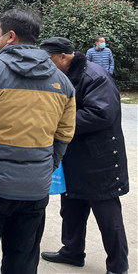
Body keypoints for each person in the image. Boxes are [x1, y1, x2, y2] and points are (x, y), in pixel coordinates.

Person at [0, 9, 76, 274]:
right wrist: (45, 167)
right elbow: (64, 136)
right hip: (34, 189)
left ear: (10, 36)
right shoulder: (63, 84)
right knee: (23, 259)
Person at [40, 37, 129, 274]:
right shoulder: (64, 76)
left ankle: (118, 266)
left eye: (48, 60)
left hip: (100, 157)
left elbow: (101, 114)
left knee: (107, 214)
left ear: (62, 57)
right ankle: (72, 251)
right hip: (75, 155)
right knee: (71, 207)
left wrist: (59, 123)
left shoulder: (95, 76)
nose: (46, 66)